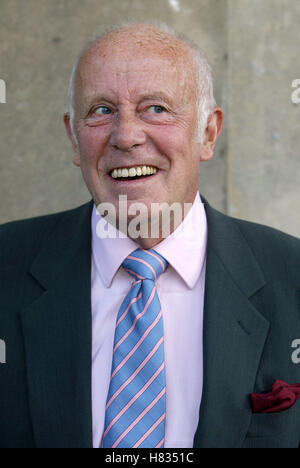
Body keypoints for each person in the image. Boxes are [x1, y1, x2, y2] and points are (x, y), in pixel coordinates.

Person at [0, 23, 299, 449]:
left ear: (208, 133)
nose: (126, 136)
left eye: (156, 108)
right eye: (101, 110)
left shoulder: (293, 278)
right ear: (73, 136)